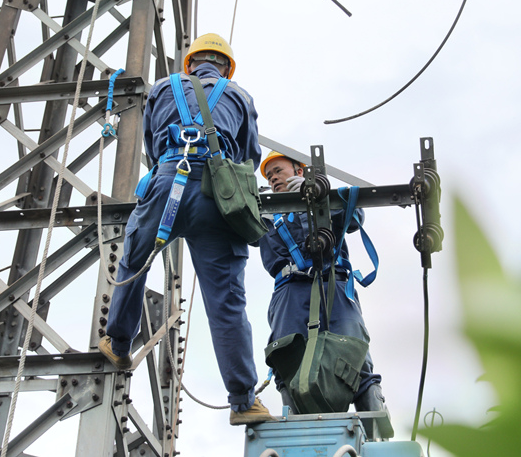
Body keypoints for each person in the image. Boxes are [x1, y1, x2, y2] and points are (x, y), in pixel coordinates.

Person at [99, 33, 274, 426]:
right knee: (226, 301)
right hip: (218, 195)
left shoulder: (163, 88)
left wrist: (170, 166)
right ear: (226, 67)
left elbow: (151, 144)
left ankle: (119, 342)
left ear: (190, 64)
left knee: (134, 262)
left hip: (167, 179)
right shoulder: (240, 96)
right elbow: (248, 156)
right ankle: (244, 401)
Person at [257, 151, 389, 426]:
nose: (273, 179)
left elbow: (355, 216)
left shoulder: (321, 197)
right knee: (287, 356)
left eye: (278, 171)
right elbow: (238, 225)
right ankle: (300, 438)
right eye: (269, 177)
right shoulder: (265, 211)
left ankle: (375, 435)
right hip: (289, 291)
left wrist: (319, 194)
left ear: (299, 170)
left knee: (354, 353)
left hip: (334, 284)